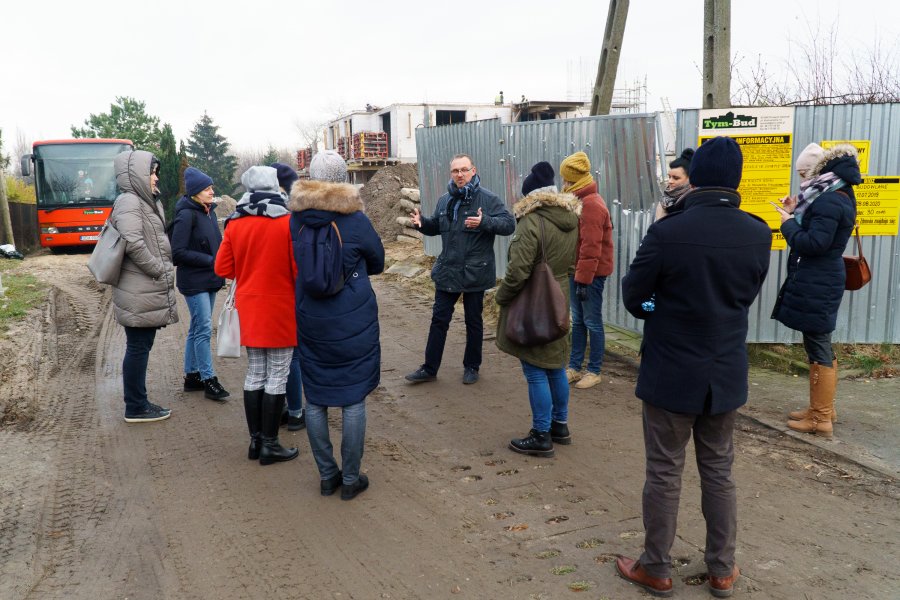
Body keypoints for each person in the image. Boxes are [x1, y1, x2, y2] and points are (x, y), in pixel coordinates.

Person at [619, 136, 772, 598]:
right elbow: (745, 293)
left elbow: (632, 295)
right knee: (719, 471)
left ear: (697, 175)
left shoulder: (668, 231)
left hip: (670, 371)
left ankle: (657, 568)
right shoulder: (758, 231)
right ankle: (722, 570)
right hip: (725, 370)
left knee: (664, 471)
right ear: (737, 178)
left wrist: (657, 311)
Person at [289, 150, 385, 500]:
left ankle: (327, 476)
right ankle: (350, 479)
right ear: (343, 178)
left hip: (311, 317)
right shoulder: (356, 220)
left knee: (315, 396)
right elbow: (378, 261)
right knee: (353, 396)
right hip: (353, 319)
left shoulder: (295, 220)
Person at [771, 143, 861, 438]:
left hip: (818, 280)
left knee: (818, 343)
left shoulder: (828, 200)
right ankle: (822, 408)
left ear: (819, 171)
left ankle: (820, 419)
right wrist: (793, 212)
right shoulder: (836, 194)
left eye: (804, 173)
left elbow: (814, 244)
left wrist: (786, 224)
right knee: (817, 342)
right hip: (819, 279)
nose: (802, 180)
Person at [405, 153, 515, 385]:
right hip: (448, 270)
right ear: (451, 174)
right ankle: (429, 368)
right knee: (439, 320)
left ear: (473, 171)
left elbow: (508, 224)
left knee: (473, 321)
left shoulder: (488, 199)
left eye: (464, 170)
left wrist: (485, 222)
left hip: (475, 271)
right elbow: (437, 225)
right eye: (455, 171)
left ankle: (472, 367)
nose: (460, 174)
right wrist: (422, 223)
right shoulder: (446, 200)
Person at [214, 166, 299, 465]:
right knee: (277, 375)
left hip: (248, 308)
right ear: (275, 186)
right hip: (280, 309)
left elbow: (223, 269)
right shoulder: (287, 221)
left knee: (255, 373)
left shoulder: (235, 223)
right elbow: (297, 269)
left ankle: (255, 442)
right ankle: (270, 444)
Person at [495, 162, 579, 457]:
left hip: (535, 302)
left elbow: (518, 271)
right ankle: (560, 426)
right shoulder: (571, 218)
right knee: (555, 366)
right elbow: (571, 263)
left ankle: (540, 434)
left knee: (534, 370)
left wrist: (501, 297)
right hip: (559, 300)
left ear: (530, 196)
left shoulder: (532, 222)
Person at [109, 150, 179, 423]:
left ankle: (138, 402)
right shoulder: (129, 202)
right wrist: (158, 268)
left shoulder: (142, 201)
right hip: (138, 288)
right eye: (151, 172)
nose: (155, 177)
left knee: (141, 345)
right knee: (138, 346)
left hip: (142, 287)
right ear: (136, 174)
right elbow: (133, 242)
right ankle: (136, 406)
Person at [170, 166, 229, 402]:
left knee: (197, 328)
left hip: (210, 278)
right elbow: (177, 252)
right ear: (195, 192)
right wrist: (209, 260)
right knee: (204, 327)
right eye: (207, 188)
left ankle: (191, 376)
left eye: (211, 187)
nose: (212, 191)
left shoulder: (209, 212)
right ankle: (209, 379)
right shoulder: (186, 214)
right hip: (194, 280)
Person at [560, 151, 613, 390]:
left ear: (575, 180)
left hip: (590, 274)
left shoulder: (591, 204)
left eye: (567, 181)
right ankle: (574, 367)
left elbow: (592, 247)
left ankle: (594, 370)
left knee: (592, 321)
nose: (563, 184)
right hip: (577, 271)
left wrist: (583, 280)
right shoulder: (577, 200)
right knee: (578, 321)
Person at [272, 162, 305, 431]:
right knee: (293, 356)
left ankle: (276, 411)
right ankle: (295, 412)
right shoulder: (290, 215)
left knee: (265, 359)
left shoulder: (243, 216)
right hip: (289, 293)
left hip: (261, 298)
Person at [655, 148, 694, 220]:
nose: (670, 181)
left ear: (690, 179)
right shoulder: (665, 199)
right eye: (669, 177)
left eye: (676, 178)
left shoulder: (693, 202)